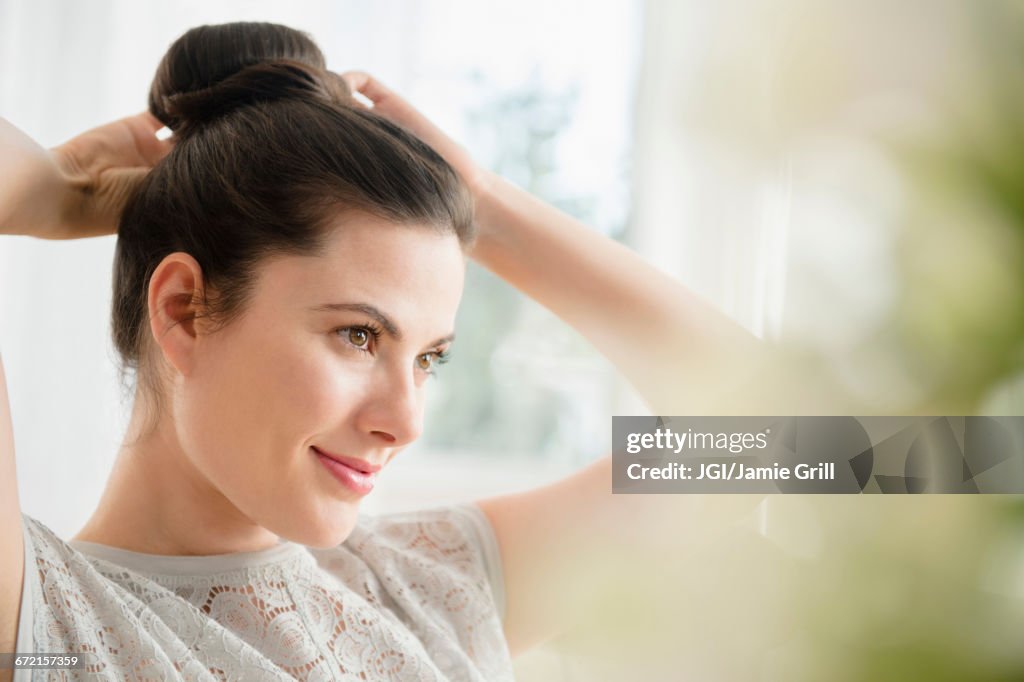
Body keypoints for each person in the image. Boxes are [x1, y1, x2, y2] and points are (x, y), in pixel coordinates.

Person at [0, 21, 764, 682]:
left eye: (431, 357)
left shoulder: (426, 590)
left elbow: (810, 447)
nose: (405, 421)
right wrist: (55, 189)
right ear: (183, 312)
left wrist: (481, 204)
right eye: (359, 335)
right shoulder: (45, 630)